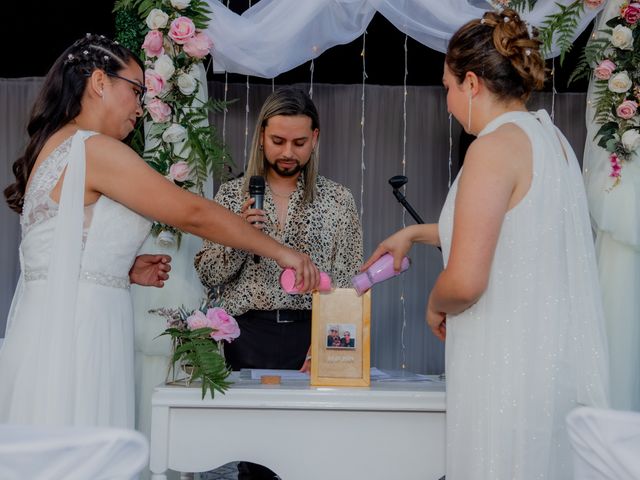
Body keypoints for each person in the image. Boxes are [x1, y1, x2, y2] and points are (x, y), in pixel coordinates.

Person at [0, 34, 319, 429]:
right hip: (83, 333)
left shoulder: (53, 147)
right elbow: (192, 213)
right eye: (135, 90)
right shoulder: (94, 148)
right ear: (100, 83)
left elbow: (58, 243)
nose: (141, 107)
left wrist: (118, 265)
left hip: (50, 328)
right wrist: (281, 252)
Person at [362, 9, 610, 480]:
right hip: (550, 369)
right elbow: (515, 229)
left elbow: (467, 281)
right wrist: (415, 232)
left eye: (448, 88)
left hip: (508, 372)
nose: (449, 102)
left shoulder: (493, 148)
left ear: (472, 83)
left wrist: (435, 304)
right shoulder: (550, 139)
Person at [194, 87, 362, 480]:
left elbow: (350, 288)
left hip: (309, 342)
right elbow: (208, 274)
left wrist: (324, 346)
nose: (288, 152)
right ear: (261, 137)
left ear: (315, 138)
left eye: (300, 142)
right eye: (278, 141)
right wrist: (239, 240)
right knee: (255, 459)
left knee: (311, 456)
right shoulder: (232, 195)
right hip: (247, 338)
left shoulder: (339, 201)